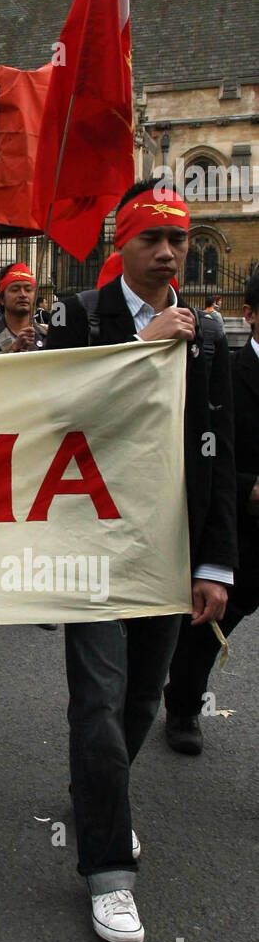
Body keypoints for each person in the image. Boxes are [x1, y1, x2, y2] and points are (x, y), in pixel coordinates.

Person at [45, 181, 236, 942]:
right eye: (150, 238)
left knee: (140, 700)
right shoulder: (76, 316)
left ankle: (97, 797)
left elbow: (216, 455)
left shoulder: (211, 336)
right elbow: (48, 412)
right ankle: (107, 871)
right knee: (96, 698)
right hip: (87, 540)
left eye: (178, 240)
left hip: (163, 545)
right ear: (118, 246)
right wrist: (138, 351)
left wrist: (213, 563)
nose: (166, 253)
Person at [163, 270, 259, 752]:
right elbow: (212, 457)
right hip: (243, 531)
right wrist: (251, 490)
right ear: (251, 315)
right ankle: (182, 708)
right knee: (206, 627)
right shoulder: (234, 374)